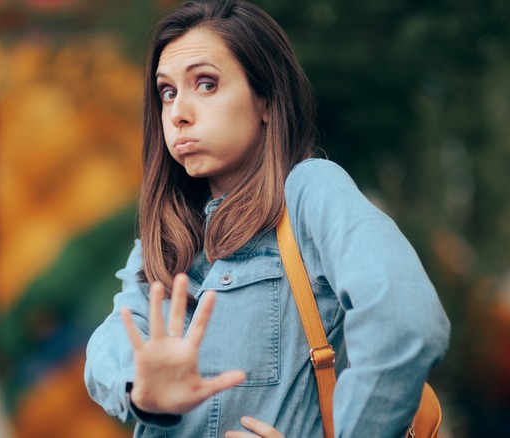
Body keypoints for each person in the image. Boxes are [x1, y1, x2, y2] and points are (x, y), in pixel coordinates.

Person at [84, 0, 450, 436]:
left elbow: (406, 323)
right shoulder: (165, 240)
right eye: (167, 92)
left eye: (205, 84)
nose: (178, 113)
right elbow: (115, 339)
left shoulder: (310, 194)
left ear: (266, 101)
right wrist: (143, 389)